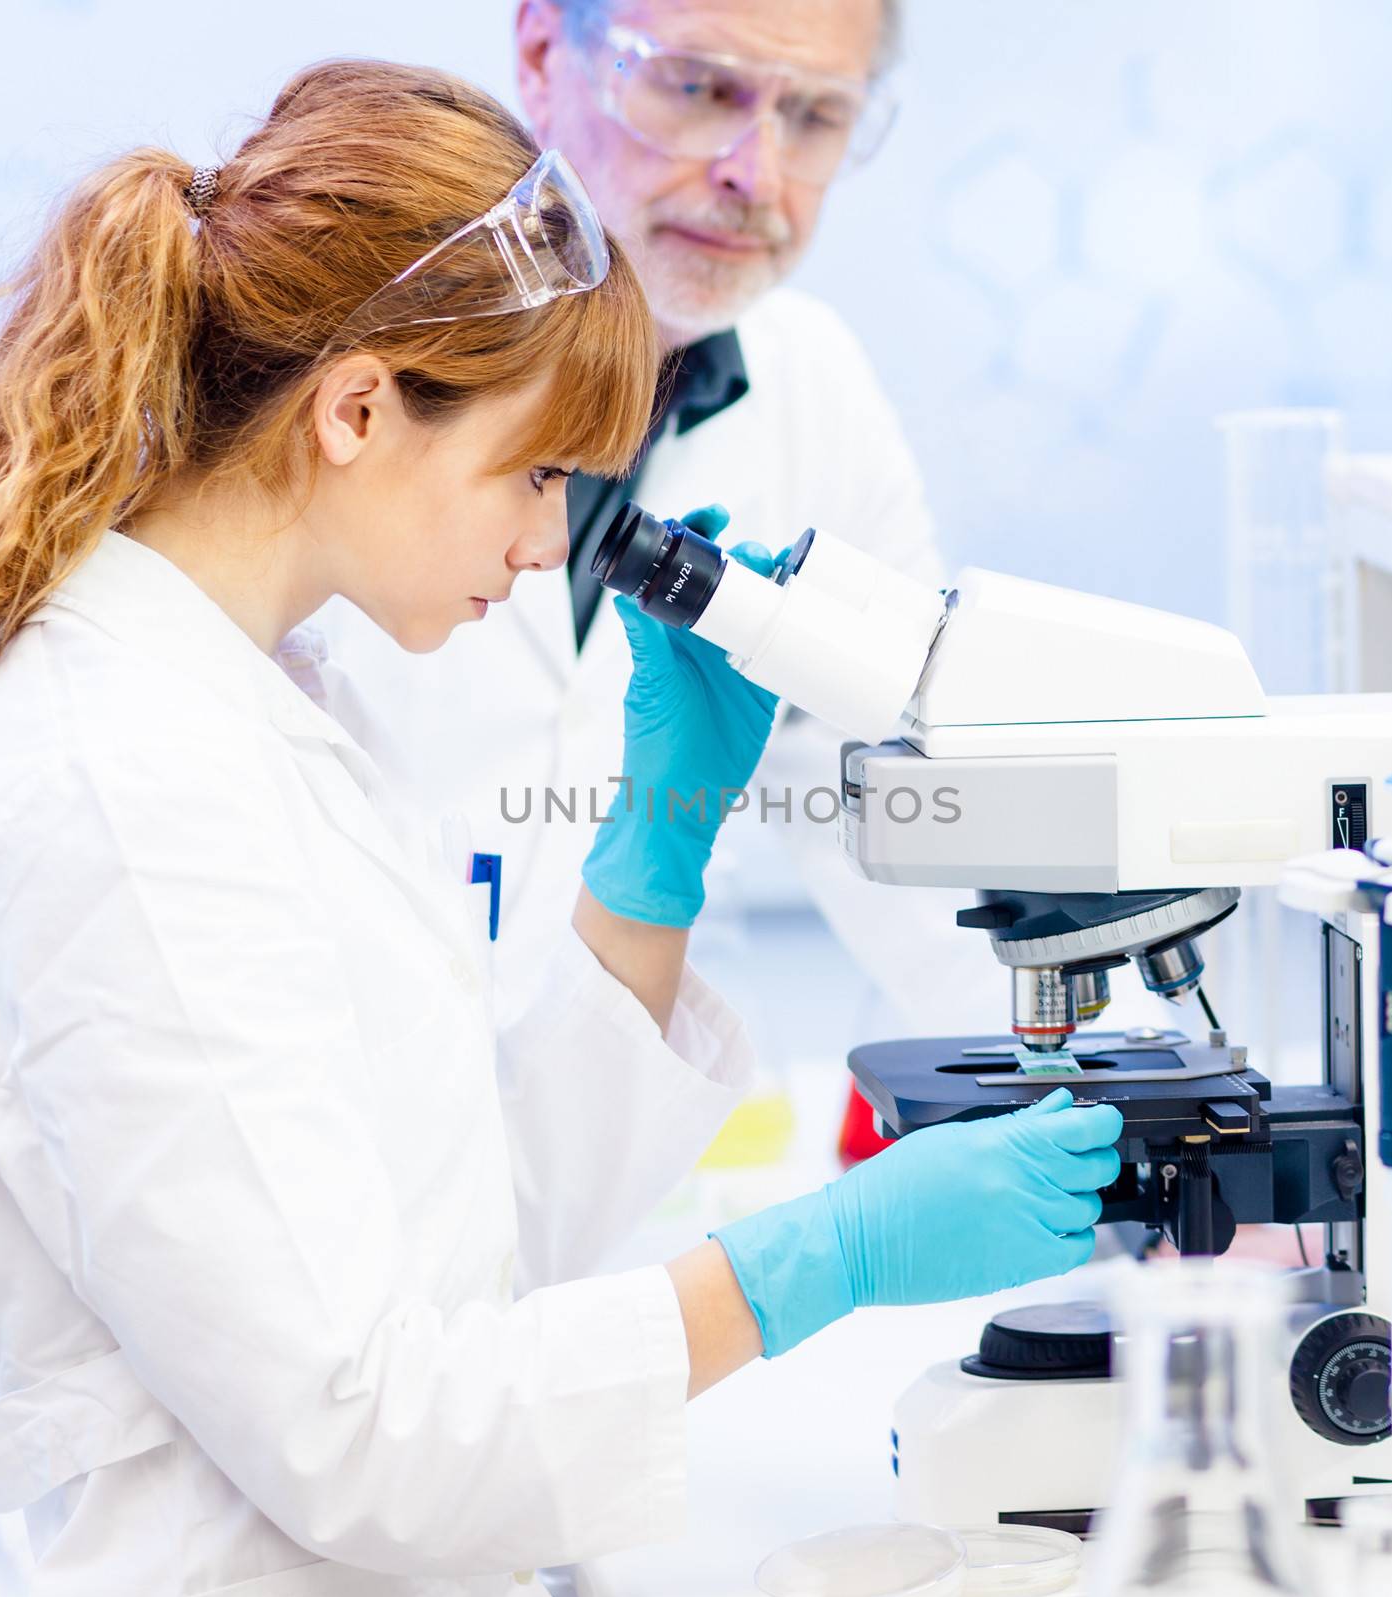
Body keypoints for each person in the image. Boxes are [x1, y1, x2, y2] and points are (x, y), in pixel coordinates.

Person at [0, 59, 1120, 1597]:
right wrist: (815, 1263)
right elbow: (365, 1437)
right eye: (537, 470)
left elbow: (469, 1240)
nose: (555, 536)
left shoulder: (260, 706)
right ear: (357, 407)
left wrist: (659, 843)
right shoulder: (125, 783)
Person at [312, 0, 1013, 1047]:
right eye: (699, 88)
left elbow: (923, 834)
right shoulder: (333, 356)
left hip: (617, 1152)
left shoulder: (813, 390)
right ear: (545, 55)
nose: (755, 175)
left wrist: (1118, 1101)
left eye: (816, 115)